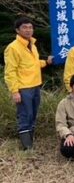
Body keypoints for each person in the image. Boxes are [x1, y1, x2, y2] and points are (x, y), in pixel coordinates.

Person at [4, 17, 53, 150]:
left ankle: (30, 139)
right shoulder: (13, 48)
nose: (28, 30)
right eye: (24, 27)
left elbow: (33, 64)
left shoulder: (32, 44)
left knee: (33, 113)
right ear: (17, 30)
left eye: (30, 27)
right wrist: (15, 91)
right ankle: (27, 146)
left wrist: (46, 62)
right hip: (23, 88)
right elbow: (10, 71)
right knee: (25, 114)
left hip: (35, 85)